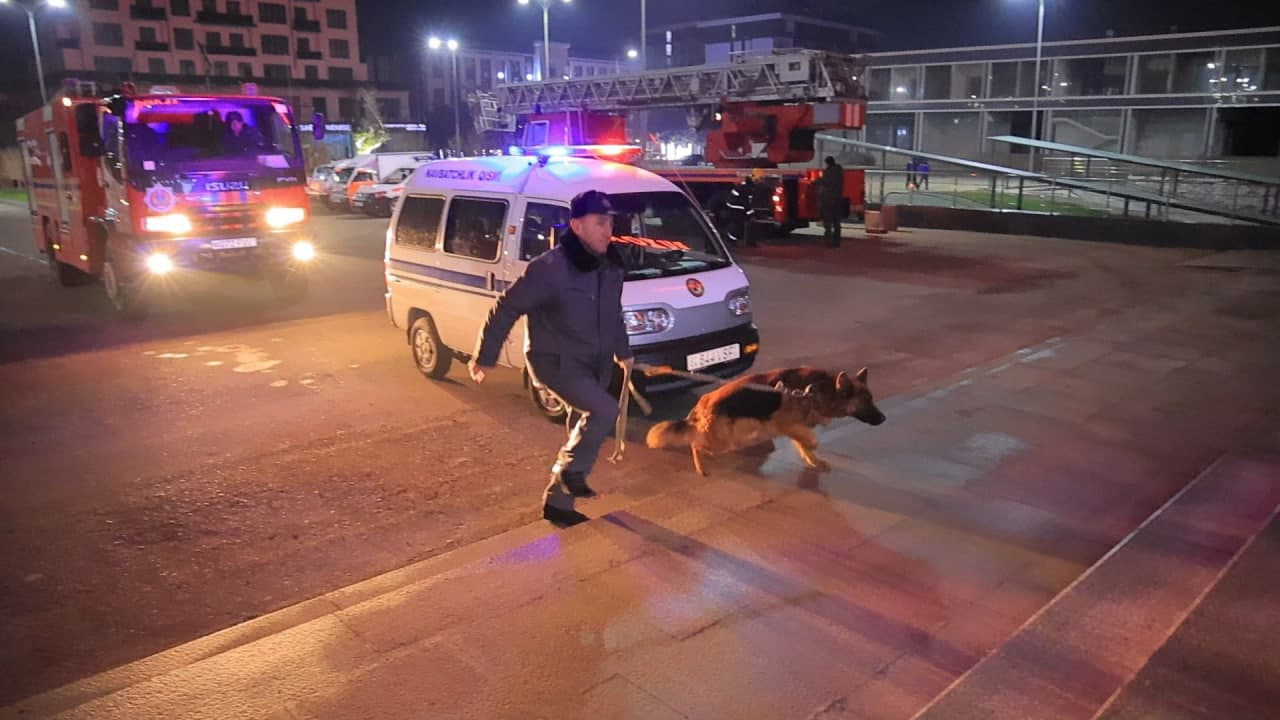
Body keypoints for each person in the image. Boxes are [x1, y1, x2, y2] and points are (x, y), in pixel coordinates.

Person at [469, 190, 633, 528]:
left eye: (610, 222)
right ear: (577, 225)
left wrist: (624, 351)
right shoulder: (550, 269)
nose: (608, 230)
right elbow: (507, 307)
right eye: (600, 223)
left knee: (582, 426)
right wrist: (486, 356)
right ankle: (570, 471)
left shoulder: (611, 266)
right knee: (604, 410)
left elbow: (613, 313)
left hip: (595, 361)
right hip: (556, 360)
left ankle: (558, 504)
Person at [724, 170, 764, 248]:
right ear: (755, 179)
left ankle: (737, 240)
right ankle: (730, 240)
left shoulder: (747, 186)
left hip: (736, 206)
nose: (760, 182)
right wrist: (751, 215)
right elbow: (746, 203)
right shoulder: (747, 188)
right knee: (738, 225)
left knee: (740, 225)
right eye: (759, 179)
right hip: (736, 207)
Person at [818, 155, 846, 248]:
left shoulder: (829, 172)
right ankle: (837, 241)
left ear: (827, 163)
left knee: (828, 221)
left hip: (828, 199)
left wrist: (818, 180)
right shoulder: (839, 171)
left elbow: (826, 182)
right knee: (837, 221)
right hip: (838, 199)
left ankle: (828, 241)